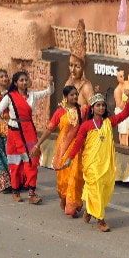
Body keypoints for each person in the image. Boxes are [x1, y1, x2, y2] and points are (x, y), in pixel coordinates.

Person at [63, 91, 129, 231]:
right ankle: (100, 220)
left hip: (106, 164)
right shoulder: (86, 125)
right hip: (91, 164)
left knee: (103, 190)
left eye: (103, 105)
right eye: (98, 105)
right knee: (95, 187)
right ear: (92, 108)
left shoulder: (108, 122)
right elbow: (77, 143)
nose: (101, 108)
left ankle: (90, 210)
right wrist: (70, 158)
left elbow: (124, 114)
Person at [0, 70, 53, 204]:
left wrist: (51, 83)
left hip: (29, 132)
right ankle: (16, 191)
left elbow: (48, 92)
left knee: (32, 161)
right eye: (21, 80)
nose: (24, 82)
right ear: (16, 83)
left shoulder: (33, 95)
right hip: (14, 132)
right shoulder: (9, 97)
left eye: (25, 80)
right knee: (15, 162)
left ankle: (31, 193)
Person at [34, 85, 86, 216]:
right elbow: (49, 129)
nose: (75, 97)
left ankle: (72, 205)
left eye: (76, 94)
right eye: (72, 95)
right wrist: (37, 144)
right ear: (65, 97)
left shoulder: (83, 110)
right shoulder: (60, 112)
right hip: (63, 149)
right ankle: (65, 198)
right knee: (63, 181)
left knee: (75, 178)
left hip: (77, 150)